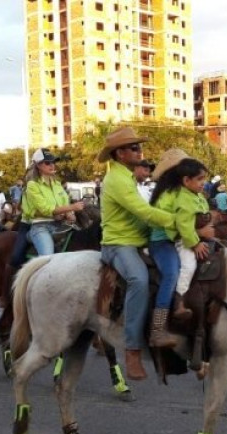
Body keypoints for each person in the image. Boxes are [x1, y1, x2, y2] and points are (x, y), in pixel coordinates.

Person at [98, 126, 177, 381]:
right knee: (139, 280)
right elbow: (144, 213)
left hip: (138, 240)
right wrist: (179, 221)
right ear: (120, 154)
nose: (140, 152)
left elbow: (144, 215)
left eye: (139, 147)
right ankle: (132, 349)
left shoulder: (129, 177)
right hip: (118, 244)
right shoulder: (117, 179)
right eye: (135, 148)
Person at [149, 148, 214, 323]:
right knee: (172, 273)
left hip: (183, 238)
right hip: (164, 241)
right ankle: (159, 325)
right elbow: (181, 224)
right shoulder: (172, 194)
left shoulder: (189, 193)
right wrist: (198, 235)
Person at [22, 148, 82, 257]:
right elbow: (46, 209)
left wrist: (70, 214)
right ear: (38, 165)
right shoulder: (32, 185)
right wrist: (71, 207)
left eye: (53, 162)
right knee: (48, 259)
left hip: (62, 225)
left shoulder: (57, 184)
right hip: (41, 227)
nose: (52, 165)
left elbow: (65, 203)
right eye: (47, 163)